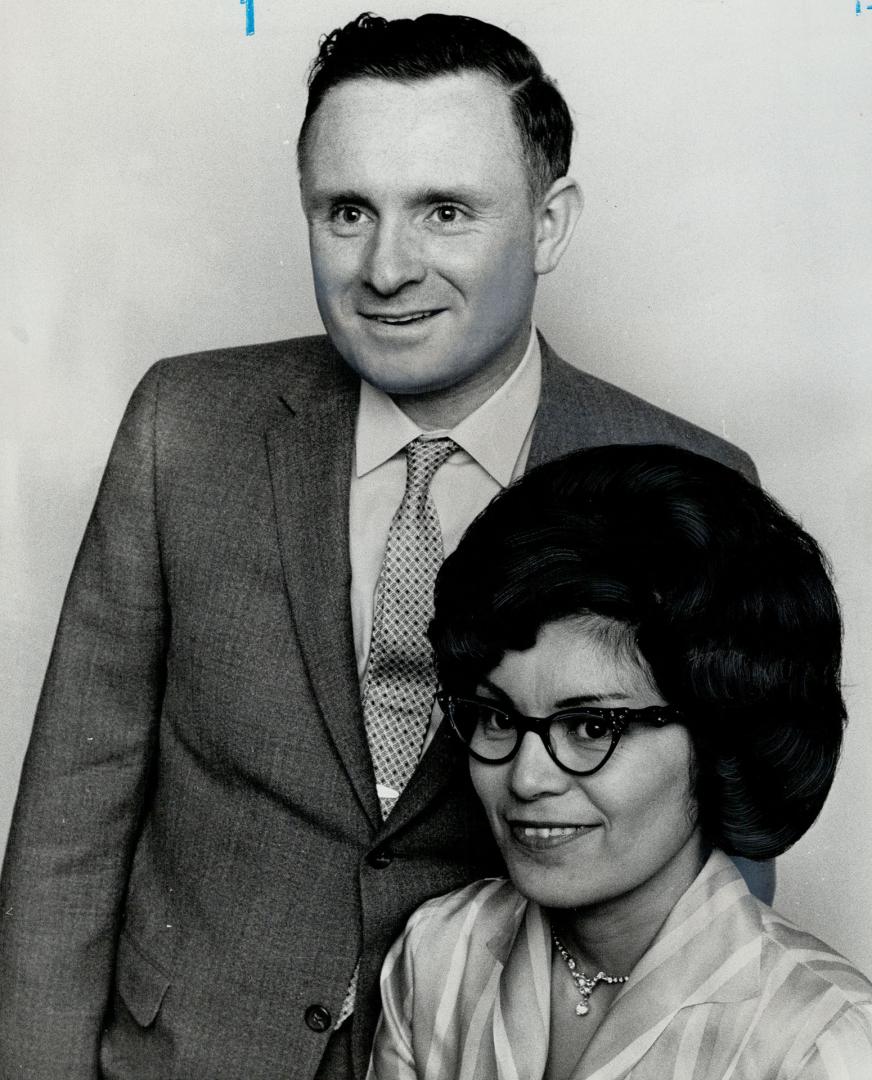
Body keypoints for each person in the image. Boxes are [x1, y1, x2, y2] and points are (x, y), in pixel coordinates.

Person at [0, 14, 761, 1080]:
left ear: (547, 225)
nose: (386, 267)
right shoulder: (185, 426)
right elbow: (70, 820)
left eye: (445, 210)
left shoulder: (686, 484)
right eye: (346, 210)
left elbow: (718, 887)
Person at [368, 443, 872, 1080]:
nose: (526, 777)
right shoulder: (439, 953)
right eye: (498, 717)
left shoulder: (822, 1041)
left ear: (720, 735)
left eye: (590, 726)